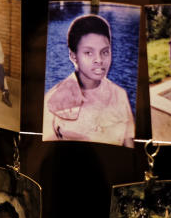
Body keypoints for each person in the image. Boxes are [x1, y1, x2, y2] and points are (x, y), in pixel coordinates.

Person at [43, 14, 135, 146]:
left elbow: (129, 146)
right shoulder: (52, 101)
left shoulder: (119, 94)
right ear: (73, 56)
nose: (99, 60)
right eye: (88, 53)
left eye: (105, 52)